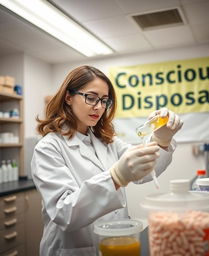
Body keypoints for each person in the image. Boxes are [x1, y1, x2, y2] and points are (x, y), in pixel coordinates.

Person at [31, 65, 183, 256]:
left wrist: (161, 140)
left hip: (116, 244)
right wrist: (115, 177)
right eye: (91, 97)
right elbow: (64, 213)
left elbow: (141, 172)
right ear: (68, 97)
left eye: (104, 100)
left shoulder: (107, 141)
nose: (99, 107)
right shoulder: (49, 147)